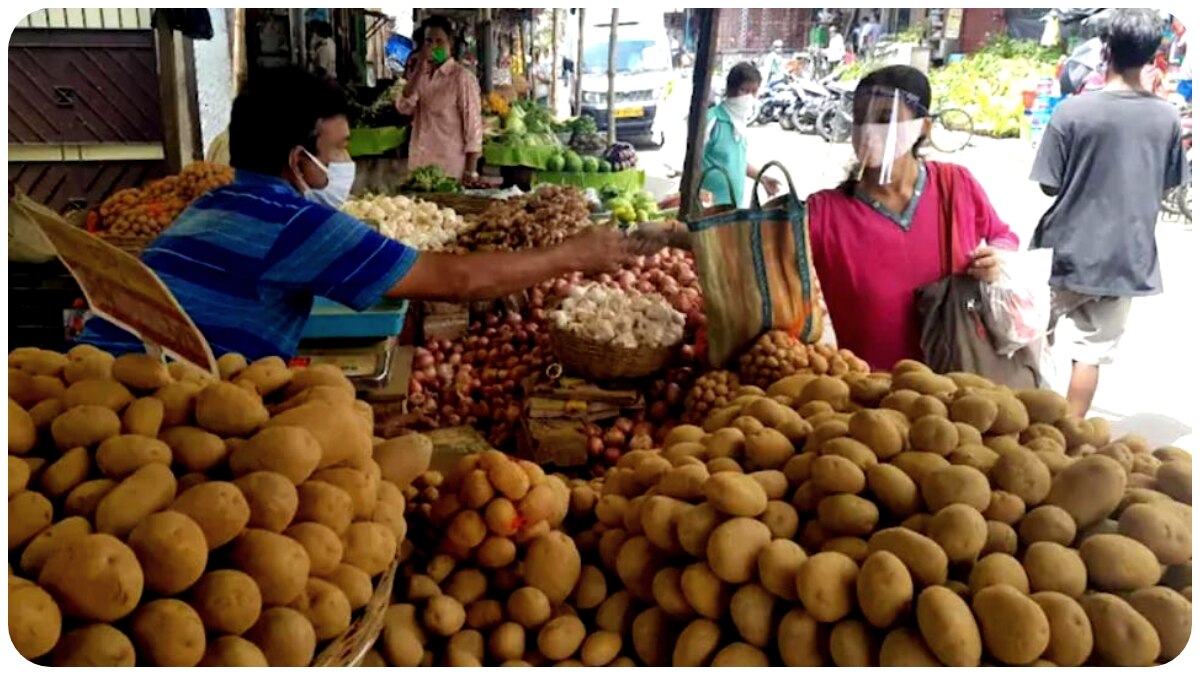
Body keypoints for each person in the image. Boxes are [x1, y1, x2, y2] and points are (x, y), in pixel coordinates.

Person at [77, 68, 637, 361]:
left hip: (99, 385)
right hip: (163, 414)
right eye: (339, 149)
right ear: (300, 161)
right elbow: (457, 279)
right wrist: (575, 254)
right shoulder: (296, 224)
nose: (347, 162)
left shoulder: (208, 205)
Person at [805, 66, 1019, 371]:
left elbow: (1004, 236)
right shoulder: (823, 212)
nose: (869, 130)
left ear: (923, 127)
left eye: (885, 119)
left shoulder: (955, 185)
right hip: (869, 394)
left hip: (955, 386)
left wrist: (997, 259)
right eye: (860, 117)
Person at [1030, 9, 1188, 417]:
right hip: (1124, 257)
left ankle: (1026, 425)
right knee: (1090, 353)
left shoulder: (1071, 112)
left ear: (1105, 50)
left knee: (1030, 339)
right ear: (1155, 56)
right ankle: (1068, 431)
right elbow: (1169, 183)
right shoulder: (1167, 117)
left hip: (1063, 250)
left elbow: (1050, 183)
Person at [394, 16, 483, 181]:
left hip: (449, 169)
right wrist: (419, 69)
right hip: (420, 166)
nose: (433, 46)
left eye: (439, 41)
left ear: (450, 43)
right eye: (428, 41)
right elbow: (404, 107)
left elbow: (473, 128)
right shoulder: (421, 76)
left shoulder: (462, 78)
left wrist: (471, 171)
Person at [701, 63, 782, 208]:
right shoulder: (711, 120)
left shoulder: (740, 124)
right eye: (744, 91)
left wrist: (762, 178)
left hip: (734, 207)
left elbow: (736, 162)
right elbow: (689, 163)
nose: (749, 98)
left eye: (754, 92)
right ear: (730, 90)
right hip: (708, 209)